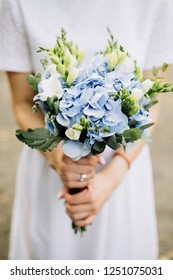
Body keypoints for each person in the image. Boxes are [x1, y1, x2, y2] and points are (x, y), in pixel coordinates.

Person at [0, 0, 173, 260]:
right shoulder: (16, 3)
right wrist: (61, 161)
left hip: (123, 171)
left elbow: (151, 100)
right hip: (53, 173)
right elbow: (23, 102)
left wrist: (111, 177)